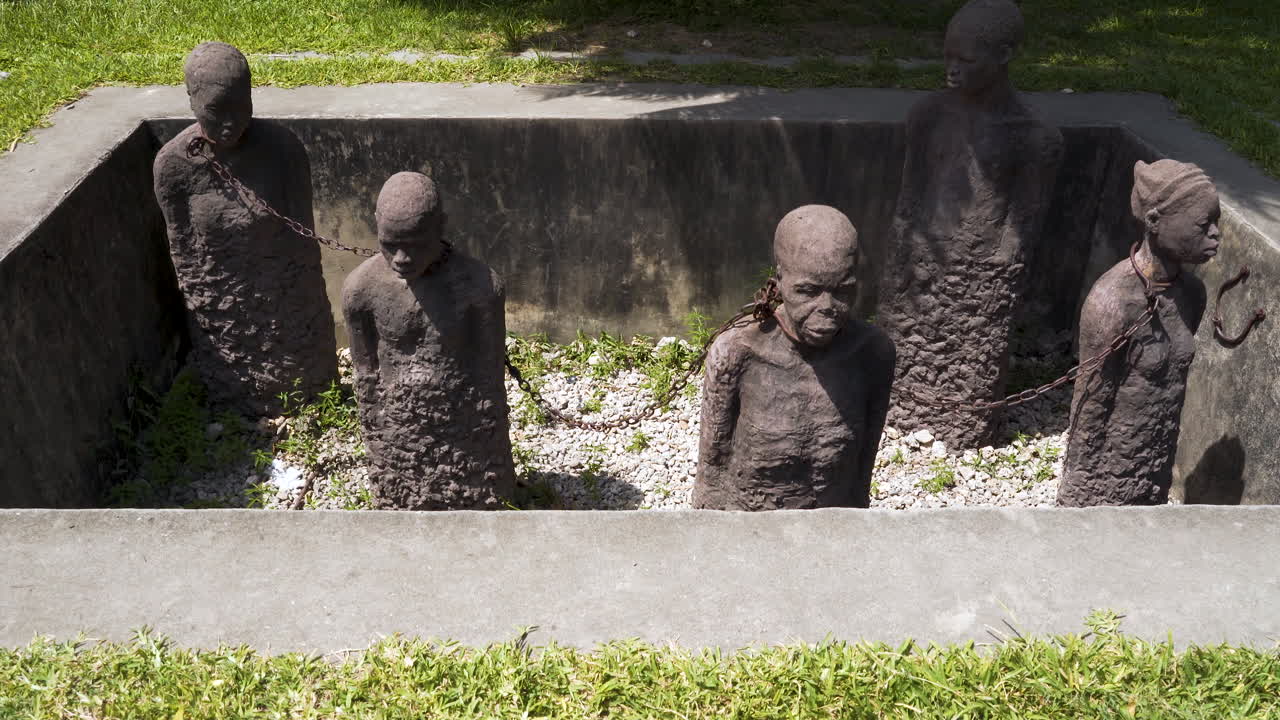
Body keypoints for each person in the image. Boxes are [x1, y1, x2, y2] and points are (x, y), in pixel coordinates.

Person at [877, 0, 1063, 449]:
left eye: (966, 60)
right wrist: (903, 261)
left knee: (967, 368)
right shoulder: (927, 116)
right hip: (922, 265)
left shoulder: (1033, 136)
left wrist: (991, 281)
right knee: (906, 355)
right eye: (947, 57)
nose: (952, 70)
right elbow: (909, 198)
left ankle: (962, 426)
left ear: (1003, 56)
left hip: (979, 277)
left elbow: (1022, 228)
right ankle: (896, 409)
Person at [153, 42, 336, 415]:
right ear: (192, 100)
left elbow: (304, 246)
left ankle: (310, 395)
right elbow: (185, 258)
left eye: (241, 107)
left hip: (282, 296)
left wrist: (298, 311)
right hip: (223, 305)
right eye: (216, 110)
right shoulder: (173, 167)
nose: (230, 123)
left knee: (301, 374)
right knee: (232, 381)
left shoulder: (283, 150)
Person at [693, 205, 895, 510]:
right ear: (779, 280)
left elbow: (861, 475)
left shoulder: (873, 354)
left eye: (842, 291)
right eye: (807, 291)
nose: (827, 308)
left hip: (832, 523)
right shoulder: (737, 353)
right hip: (750, 525)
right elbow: (711, 478)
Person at [342, 171, 516, 509]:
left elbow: (489, 377)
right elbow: (366, 376)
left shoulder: (480, 287)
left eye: (416, 245)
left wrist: (482, 433)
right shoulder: (361, 290)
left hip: (462, 430)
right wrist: (381, 431)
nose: (401, 258)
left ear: (441, 227)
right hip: (398, 432)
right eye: (390, 245)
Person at [1057, 160, 1219, 506]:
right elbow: (1091, 411)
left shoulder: (1192, 295)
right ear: (1154, 221)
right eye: (1203, 224)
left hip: (1155, 464)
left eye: (1216, 222)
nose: (1216, 233)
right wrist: (1077, 503)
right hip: (1109, 477)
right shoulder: (1112, 302)